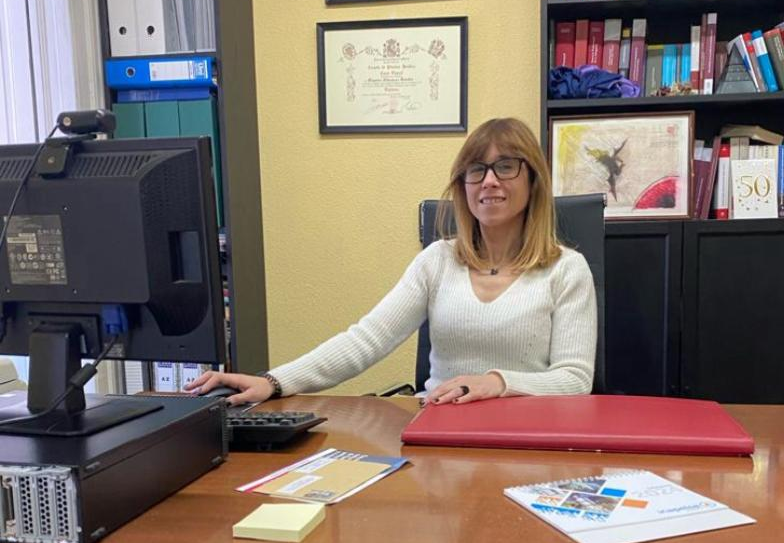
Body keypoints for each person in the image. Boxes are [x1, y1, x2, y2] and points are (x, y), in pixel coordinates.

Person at [186, 117, 597, 406]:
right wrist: (274, 382)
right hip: (439, 428)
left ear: (533, 180)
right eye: (476, 169)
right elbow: (367, 340)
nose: (489, 181)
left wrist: (496, 383)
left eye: (506, 166)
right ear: (463, 185)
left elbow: (575, 380)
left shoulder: (566, 270)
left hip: (529, 435)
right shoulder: (437, 261)